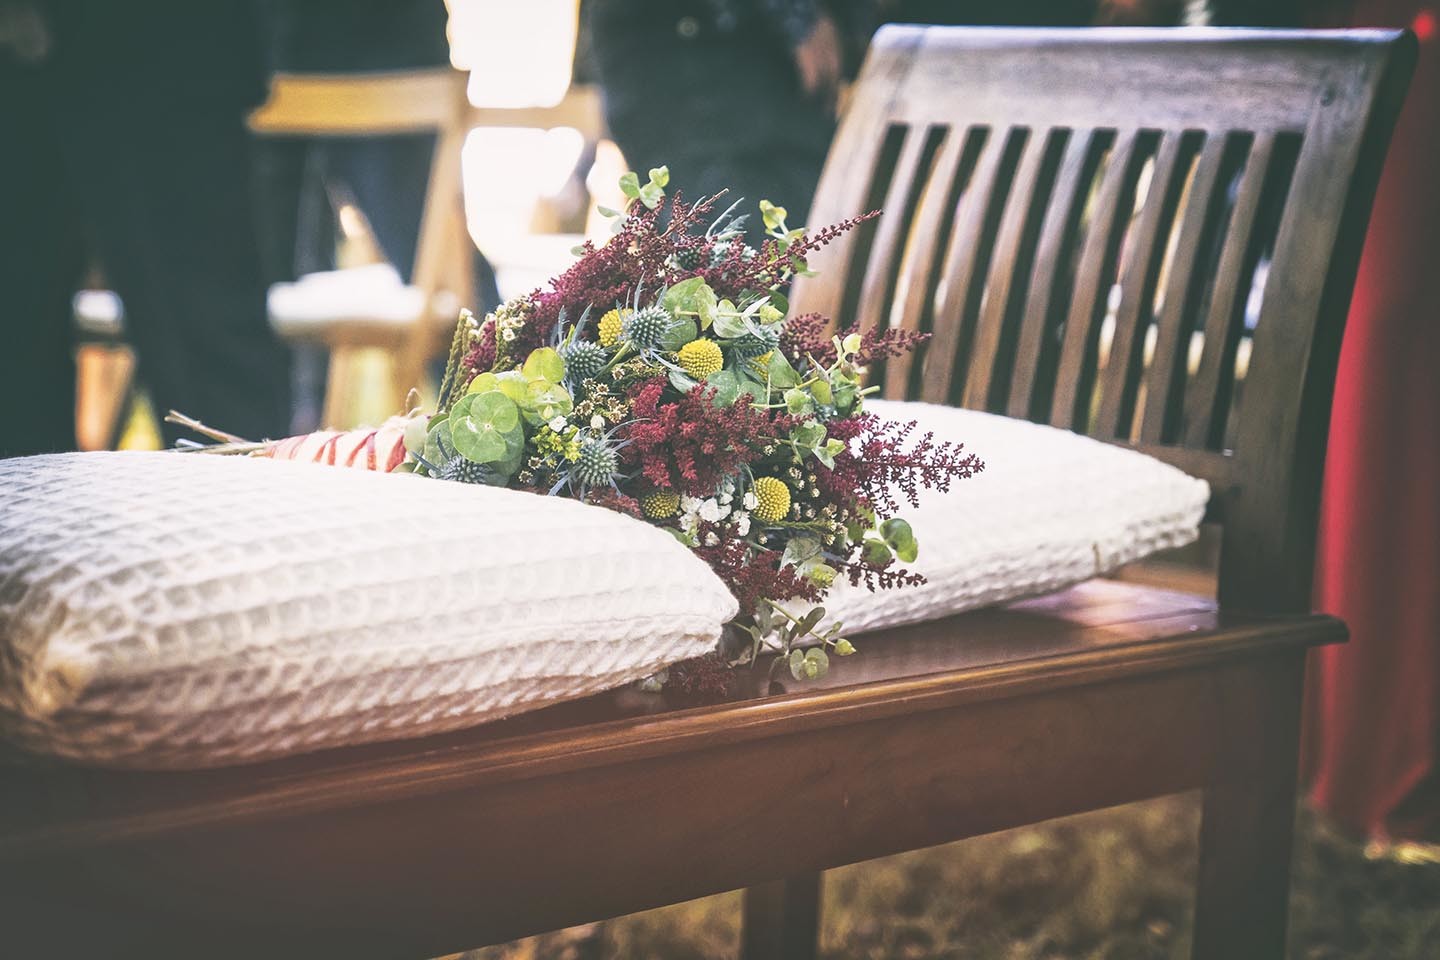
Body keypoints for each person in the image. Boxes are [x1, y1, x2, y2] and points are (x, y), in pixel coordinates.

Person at [0, 1, 291, 456]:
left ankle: (246, 516)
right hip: (32, 75)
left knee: (208, 353)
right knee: (15, 356)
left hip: (157, 45)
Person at [585, 1, 875, 239]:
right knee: (741, 246)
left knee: (785, 245)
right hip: (695, 43)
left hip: (748, 52)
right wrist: (796, 14)